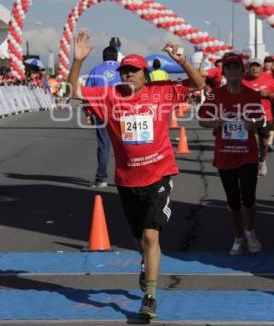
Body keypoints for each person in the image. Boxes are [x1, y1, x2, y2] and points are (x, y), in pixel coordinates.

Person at [68, 32, 205, 319]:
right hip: (127, 179)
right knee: (139, 240)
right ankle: (145, 262)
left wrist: (181, 60)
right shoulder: (110, 96)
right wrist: (78, 60)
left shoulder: (162, 91)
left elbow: (198, 84)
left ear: (145, 74)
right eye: (124, 71)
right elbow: (74, 92)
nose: (128, 75)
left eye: (134, 71)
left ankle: (150, 296)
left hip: (160, 172)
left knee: (151, 234)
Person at [199, 53, 264, 255]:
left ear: (242, 71)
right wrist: (214, 122)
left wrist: (252, 123)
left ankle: (250, 232)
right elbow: (202, 118)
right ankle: (237, 238)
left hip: (247, 154)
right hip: (225, 154)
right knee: (233, 200)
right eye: (229, 67)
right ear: (224, 72)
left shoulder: (252, 95)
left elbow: (262, 120)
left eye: (237, 66)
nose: (233, 69)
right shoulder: (215, 95)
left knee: (249, 196)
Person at [85, 46, 121, 188]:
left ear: (103, 57)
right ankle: (126, 179)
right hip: (122, 112)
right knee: (125, 146)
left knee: (104, 146)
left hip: (102, 113)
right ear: (117, 57)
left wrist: (88, 113)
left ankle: (101, 179)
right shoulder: (123, 70)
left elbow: (87, 94)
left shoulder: (95, 71)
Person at [242, 58, 274, 177]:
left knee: (264, 144)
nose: (254, 68)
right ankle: (251, 166)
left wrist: (267, 94)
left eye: (257, 66)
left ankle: (262, 161)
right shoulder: (242, 80)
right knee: (251, 141)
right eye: (252, 66)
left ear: (261, 67)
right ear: (248, 67)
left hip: (265, 116)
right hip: (247, 116)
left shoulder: (269, 79)